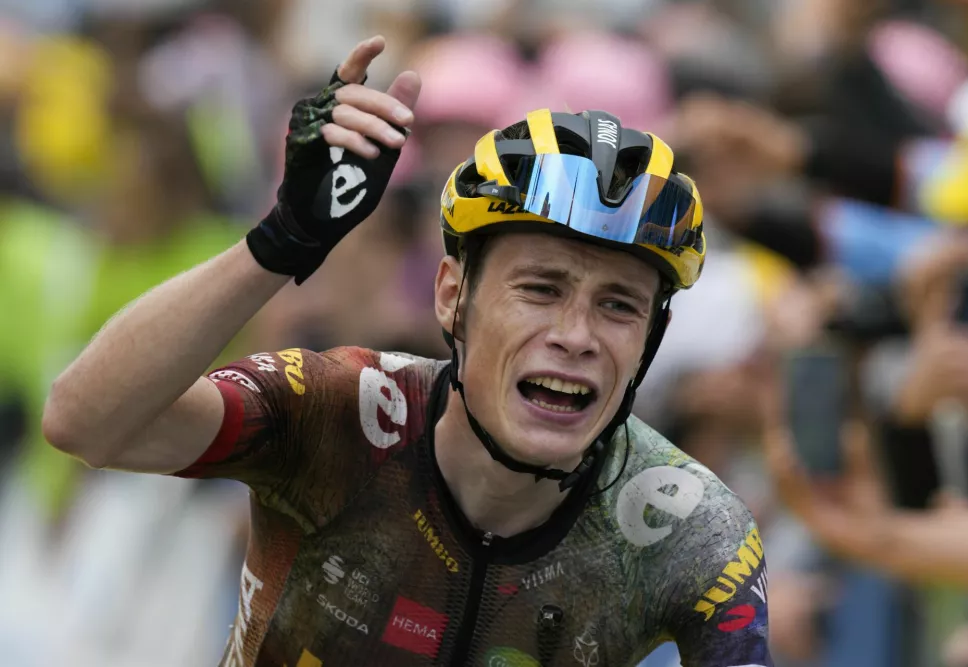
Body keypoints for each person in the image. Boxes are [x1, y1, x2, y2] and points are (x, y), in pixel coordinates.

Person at [42, 35, 773, 667]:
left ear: (652, 337)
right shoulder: (340, 411)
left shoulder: (686, 527)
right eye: (542, 289)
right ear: (452, 293)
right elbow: (83, 421)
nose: (576, 335)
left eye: (619, 306)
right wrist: (279, 242)